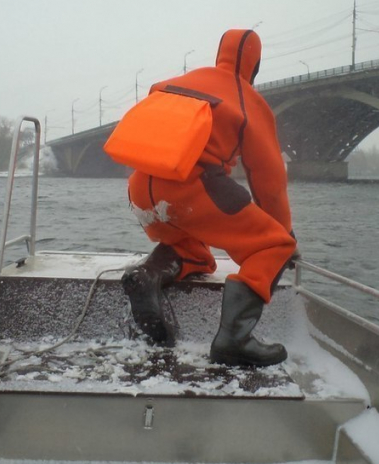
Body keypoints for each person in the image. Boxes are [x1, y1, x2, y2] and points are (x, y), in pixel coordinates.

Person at [122, 28, 297, 367]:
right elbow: (269, 179)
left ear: (220, 54)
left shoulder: (177, 82)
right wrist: (283, 233)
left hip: (140, 188)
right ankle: (235, 340)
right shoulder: (247, 99)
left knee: (197, 254)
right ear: (255, 66)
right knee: (274, 246)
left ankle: (149, 276)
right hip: (193, 186)